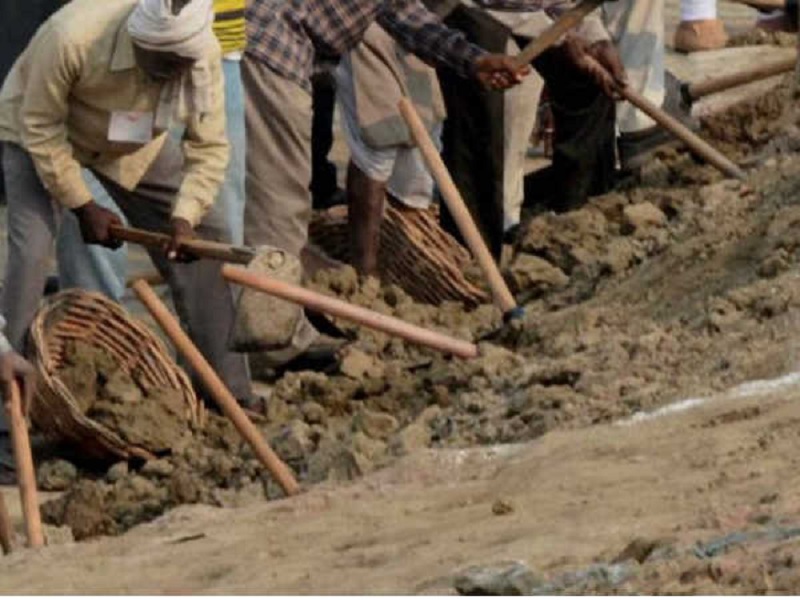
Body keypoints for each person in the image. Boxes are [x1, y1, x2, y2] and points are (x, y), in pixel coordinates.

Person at [243, 0, 529, 367]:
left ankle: (261, 325)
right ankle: (278, 344)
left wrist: (473, 61)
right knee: (281, 203)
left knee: (261, 199)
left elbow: (404, 12)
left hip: (275, 44)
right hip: (271, 45)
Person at [0, 0, 252, 403]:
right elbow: (40, 127)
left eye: (175, 68)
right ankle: (10, 408)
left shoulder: (201, 51)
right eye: (158, 65)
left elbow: (209, 147)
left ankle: (227, 394)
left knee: (206, 238)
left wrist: (185, 218)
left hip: (127, 139)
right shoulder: (71, 37)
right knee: (31, 253)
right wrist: (83, 205)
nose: (165, 76)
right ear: (139, 41)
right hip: (38, 132)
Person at [335, 23, 445, 275]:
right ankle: (365, 271)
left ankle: (407, 255)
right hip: (368, 25)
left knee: (420, 150)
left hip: (418, 28)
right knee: (379, 138)